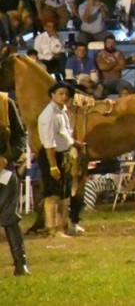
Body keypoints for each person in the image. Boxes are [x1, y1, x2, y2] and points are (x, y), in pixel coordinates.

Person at [38, 82, 84, 237]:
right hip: (52, 155)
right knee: (52, 194)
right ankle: (52, 228)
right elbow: (49, 143)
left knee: (64, 193)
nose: (64, 97)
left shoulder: (62, 111)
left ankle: (63, 225)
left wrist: (75, 144)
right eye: (60, 93)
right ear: (52, 95)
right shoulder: (49, 115)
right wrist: (53, 166)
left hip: (64, 154)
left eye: (66, 94)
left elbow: (64, 134)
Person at [0, 92, 30, 275]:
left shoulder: (5, 103)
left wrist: (6, 158)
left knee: (10, 217)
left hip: (3, 169)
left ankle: (21, 263)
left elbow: (19, 138)